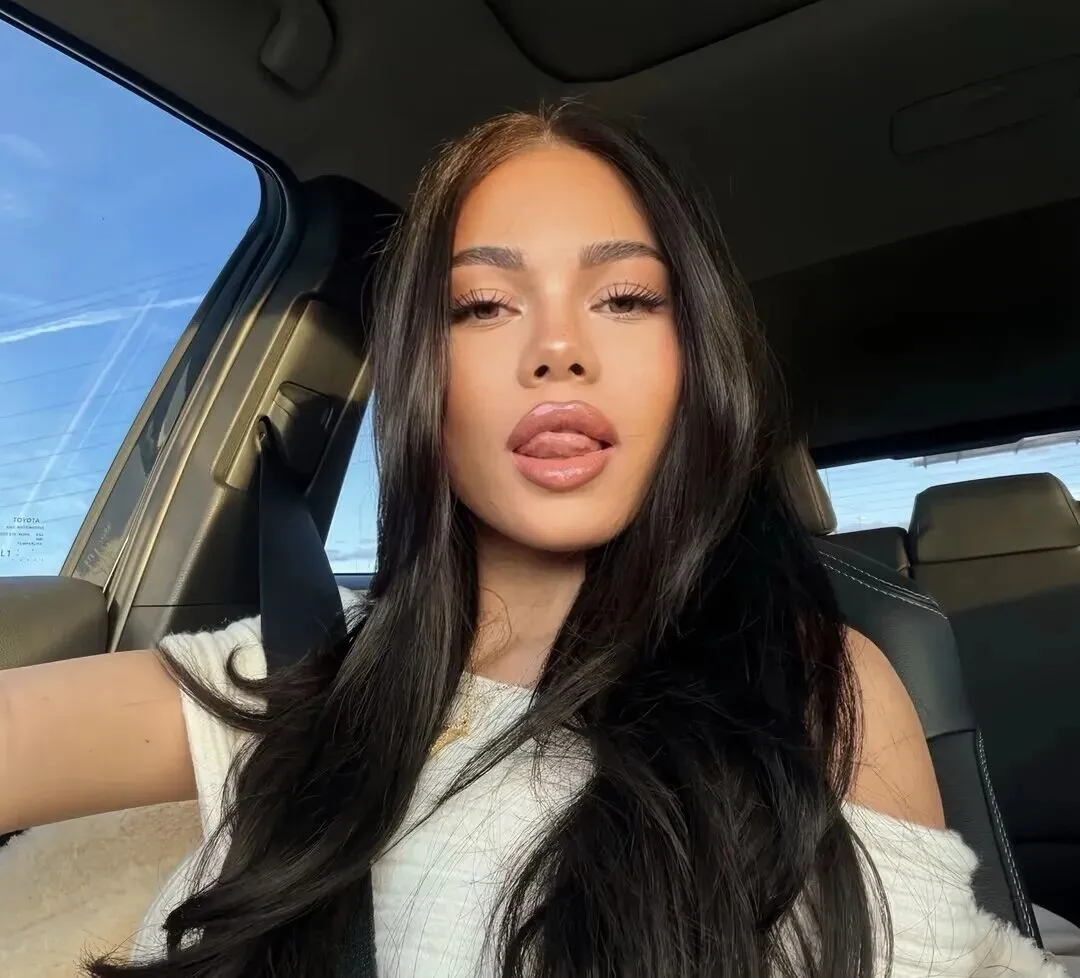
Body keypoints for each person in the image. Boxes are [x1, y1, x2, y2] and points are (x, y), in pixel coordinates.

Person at [0, 103, 1067, 978]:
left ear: (695, 366)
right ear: (424, 384)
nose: (558, 348)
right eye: (482, 307)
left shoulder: (820, 687)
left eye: (625, 297)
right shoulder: (296, 675)